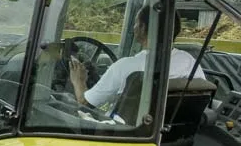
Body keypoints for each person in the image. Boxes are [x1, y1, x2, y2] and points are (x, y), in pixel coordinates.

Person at [70, 6, 205, 109]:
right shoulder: (190, 62)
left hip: (121, 134)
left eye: (135, 23)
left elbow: (84, 103)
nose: (133, 27)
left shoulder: (126, 66)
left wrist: (79, 81)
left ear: (142, 27)